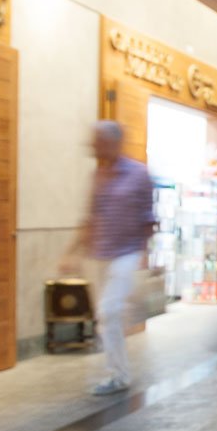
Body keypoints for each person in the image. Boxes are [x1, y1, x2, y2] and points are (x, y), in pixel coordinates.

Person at [62, 120, 154, 396]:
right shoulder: (97, 176)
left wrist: (144, 251)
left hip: (127, 252)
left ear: (113, 142)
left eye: (97, 141)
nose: (92, 147)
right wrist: (73, 253)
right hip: (100, 254)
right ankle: (120, 373)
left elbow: (149, 218)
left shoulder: (139, 174)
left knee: (108, 311)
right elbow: (90, 216)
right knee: (107, 315)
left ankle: (118, 375)